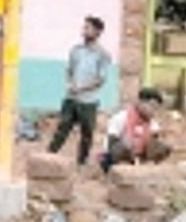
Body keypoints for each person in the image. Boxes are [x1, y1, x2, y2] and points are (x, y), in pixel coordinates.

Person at [47, 15, 111, 166]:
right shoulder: (76, 50)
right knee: (62, 128)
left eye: (88, 28)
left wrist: (82, 88)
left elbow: (100, 80)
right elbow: (69, 70)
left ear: (97, 32)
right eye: (84, 27)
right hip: (71, 97)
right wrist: (70, 84)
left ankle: (81, 162)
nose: (84, 31)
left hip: (88, 101)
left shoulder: (102, 55)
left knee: (87, 133)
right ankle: (49, 155)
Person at [100, 88, 171, 172]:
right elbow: (111, 143)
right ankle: (117, 168)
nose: (153, 111)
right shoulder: (121, 117)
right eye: (151, 106)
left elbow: (153, 144)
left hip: (139, 155)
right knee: (127, 143)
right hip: (118, 154)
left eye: (156, 108)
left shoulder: (152, 123)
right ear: (140, 102)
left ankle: (145, 167)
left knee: (163, 147)